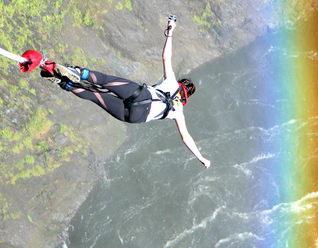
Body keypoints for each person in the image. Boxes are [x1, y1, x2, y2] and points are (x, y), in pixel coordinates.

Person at [40, 16, 211, 169]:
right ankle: (64, 83)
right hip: (134, 117)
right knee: (96, 96)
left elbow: (166, 57)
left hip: (141, 95)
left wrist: (170, 31)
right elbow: (186, 138)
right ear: (186, 97)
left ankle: (77, 73)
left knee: (105, 81)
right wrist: (202, 158)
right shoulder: (179, 112)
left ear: (182, 84)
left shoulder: (172, 82)